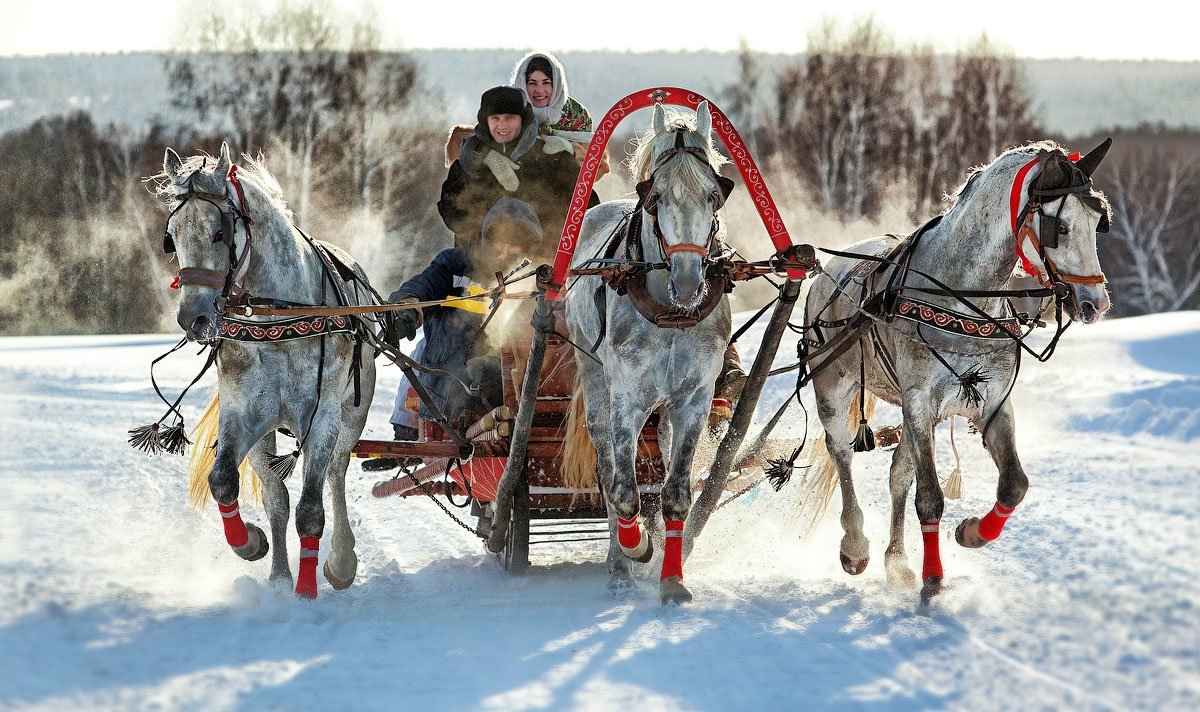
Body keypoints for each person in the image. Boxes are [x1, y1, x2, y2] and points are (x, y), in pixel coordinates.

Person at [363, 198, 544, 472]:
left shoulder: (538, 276)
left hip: (516, 378)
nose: (506, 250)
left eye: (515, 243)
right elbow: (425, 284)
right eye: (500, 241)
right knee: (420, 352)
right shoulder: (455, 265)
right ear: (486, 238)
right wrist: (407, 306)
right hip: (451, 376)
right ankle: (406, 436)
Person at [437, 85, 597, 248]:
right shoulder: (470, 162)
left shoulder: (553, 158)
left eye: (510, 118)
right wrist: (477, 169)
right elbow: (455, 221)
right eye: (495, 118)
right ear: (486, 121)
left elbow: (590, 213)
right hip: (481, 263)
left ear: (524, 119)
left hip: (545, 263)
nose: (502, 126)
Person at [510, 51, 610, 179]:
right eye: (532, 83)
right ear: (523, 84)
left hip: (565, 188)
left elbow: (593, 168)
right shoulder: (510, 107)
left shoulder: (575, 114)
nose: (539, 90)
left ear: (557, 84)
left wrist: (567, 148)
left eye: (546, 83)